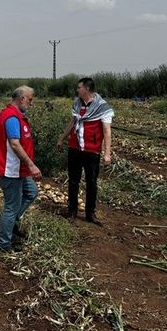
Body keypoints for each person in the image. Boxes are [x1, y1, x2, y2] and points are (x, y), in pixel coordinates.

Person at [0, 86, 41, 252]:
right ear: (22, 99)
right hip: (9, 169)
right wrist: (31, 165)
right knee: (11, 206)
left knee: (31, 192)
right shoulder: (11, 117)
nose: (31, 104)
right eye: (30, 100)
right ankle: (4, 244)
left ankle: (10, 224)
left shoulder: (16, 116)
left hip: (19, 169)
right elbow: (14, 144)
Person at [57, 77, 114, 226]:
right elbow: (73, 122)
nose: (77, 90)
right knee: (73, 181)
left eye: (79, 87)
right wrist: (62, 138)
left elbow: (107, 131)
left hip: (92, 150)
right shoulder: (77, 103)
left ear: (86, 89)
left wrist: (107, 153)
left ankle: (90, 213)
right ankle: (72, 211)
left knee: (91, 183)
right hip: (75, 148)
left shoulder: (103, 107)